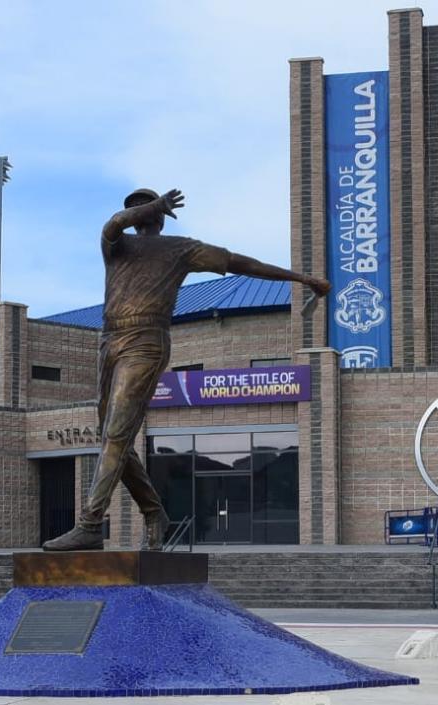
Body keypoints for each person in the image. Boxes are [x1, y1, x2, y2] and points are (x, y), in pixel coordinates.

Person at [42, 188, 330, 551]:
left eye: (144, 206)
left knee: (115, 433)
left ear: (160, 218)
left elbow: (241, 263)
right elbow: (113, 224)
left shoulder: (179, 249)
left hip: (147, 340)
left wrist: (301, 279)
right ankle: (154, 512)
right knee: (113, 439)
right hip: (110, 340)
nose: (136, 211)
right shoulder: (117, 247)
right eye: (134, 207)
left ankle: (89, 523)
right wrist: (155, 204)